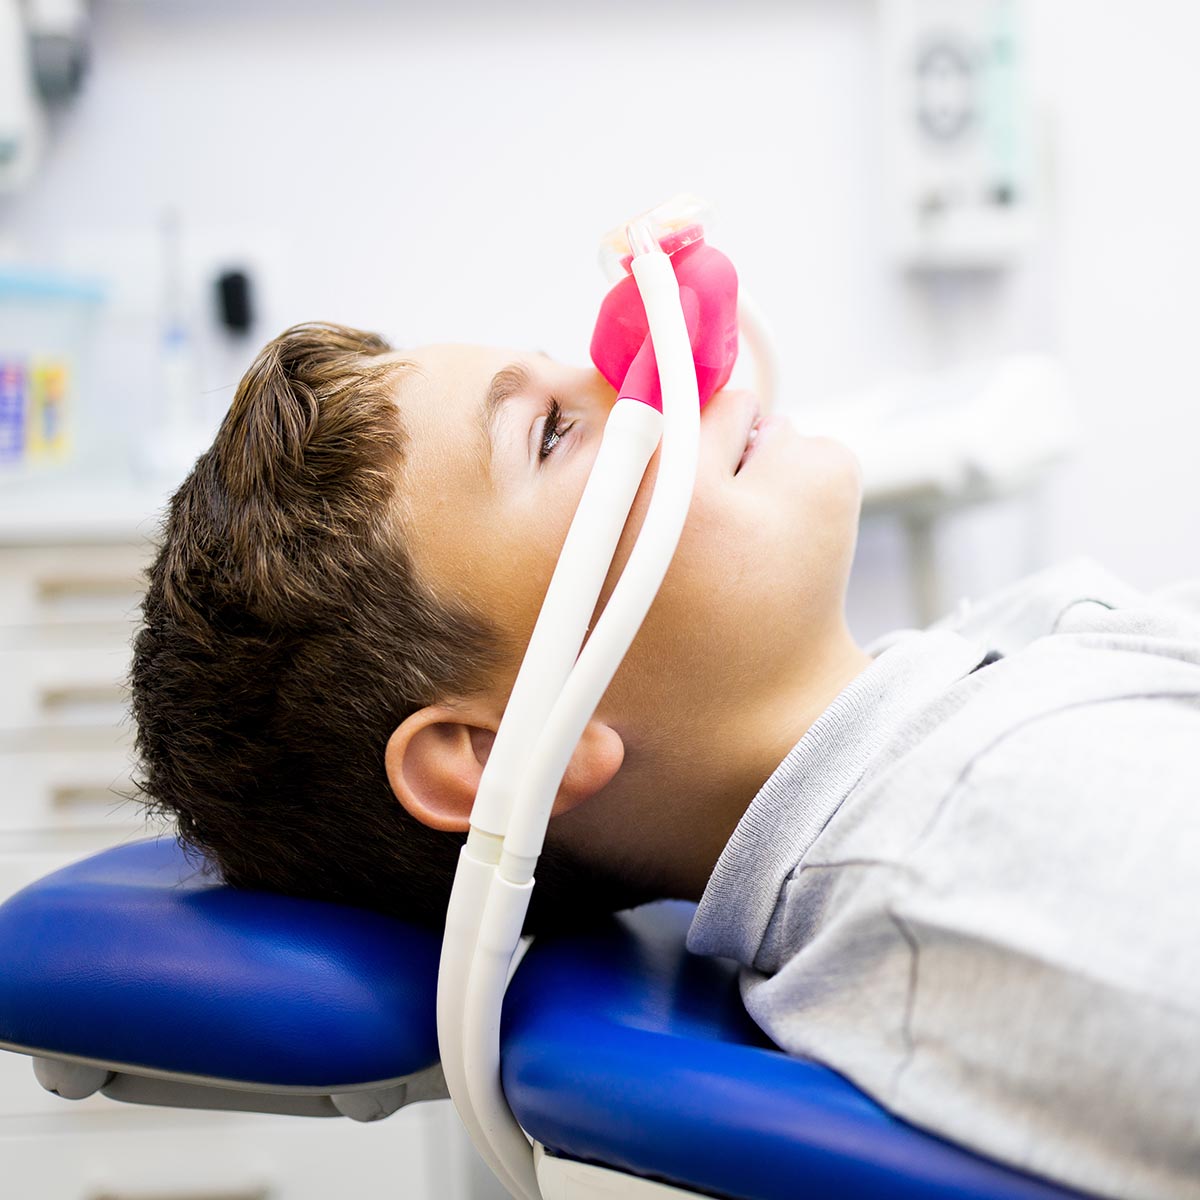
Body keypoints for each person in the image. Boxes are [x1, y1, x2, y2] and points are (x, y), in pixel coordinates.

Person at [131, 321, 1200, 1200]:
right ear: (500, 755)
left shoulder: (962, 709)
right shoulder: (979, 855)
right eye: (553, 433)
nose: (645, 381)